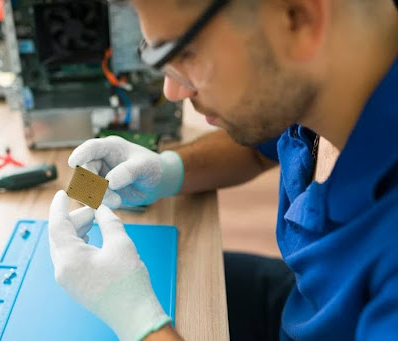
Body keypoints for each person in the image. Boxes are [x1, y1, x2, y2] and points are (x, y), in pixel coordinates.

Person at [48, 0, 398, 340]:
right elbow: (263, 147)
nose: (172, 92)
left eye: (184, 53)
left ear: (299, 17)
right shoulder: (330, 76)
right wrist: (169, 169)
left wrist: (140, 323)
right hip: (301, 306)